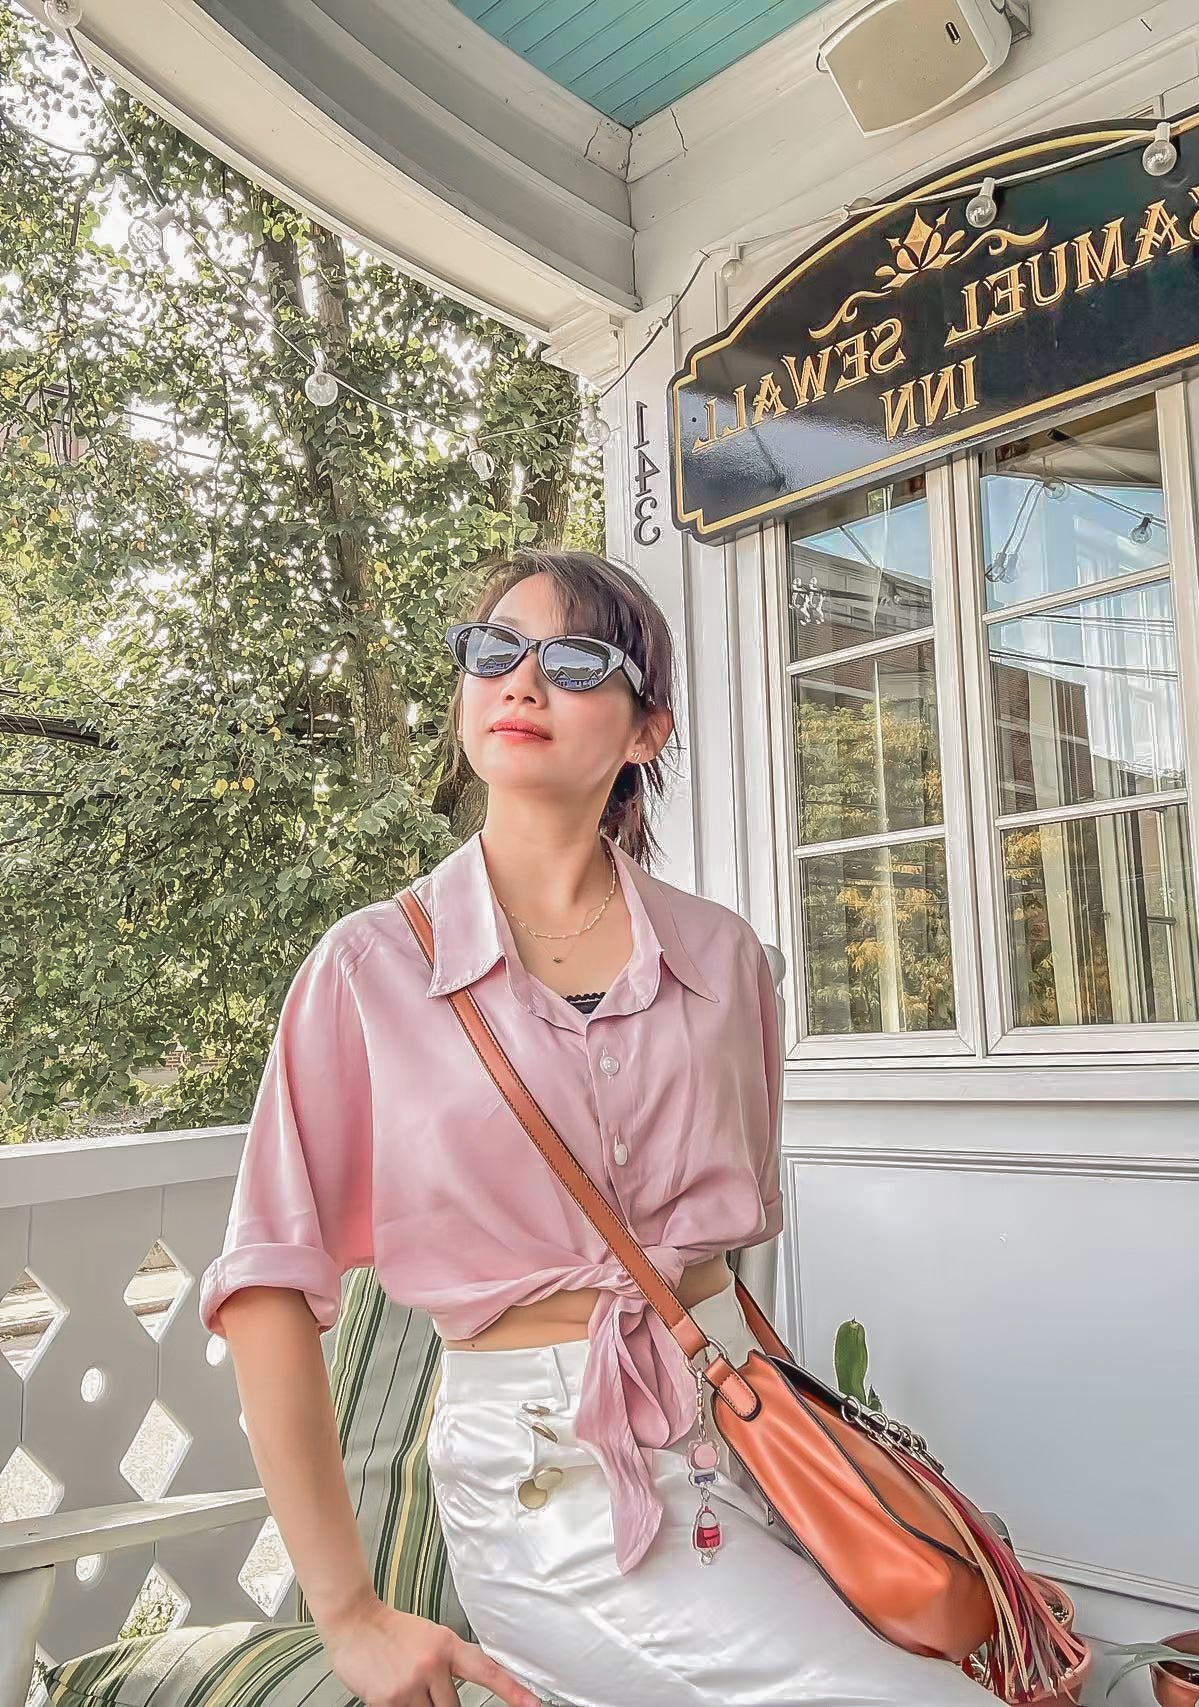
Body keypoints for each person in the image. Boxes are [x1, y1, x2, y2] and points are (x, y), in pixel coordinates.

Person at [199, 549, 993, 1707]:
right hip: (545, 1489)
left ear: (644, 731)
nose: (522, 682)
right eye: (492, 651)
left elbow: (726, 1242)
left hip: (754, 1450)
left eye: (573, 661)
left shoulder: (726, 960)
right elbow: (267, 1283)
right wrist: (349, 1614)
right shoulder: (366, 970)